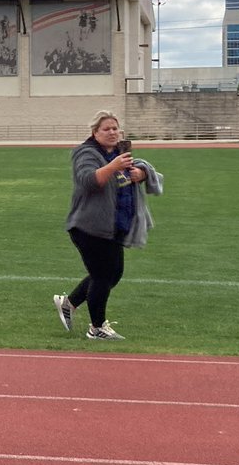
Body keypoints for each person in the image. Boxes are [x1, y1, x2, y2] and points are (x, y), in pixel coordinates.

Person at [53, 111, 161, 340]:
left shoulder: (119, 152)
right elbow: (88, 181)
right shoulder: (85, 153)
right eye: (106, 129)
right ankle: (97, 327)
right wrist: (113, 166)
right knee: (103, 275)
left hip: (114, 224)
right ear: (95, 133)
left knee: (113, 274)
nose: (112, 132)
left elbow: (129, 175)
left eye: (115, 128)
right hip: (88, 226)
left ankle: (69, 303)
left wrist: (140, 174)